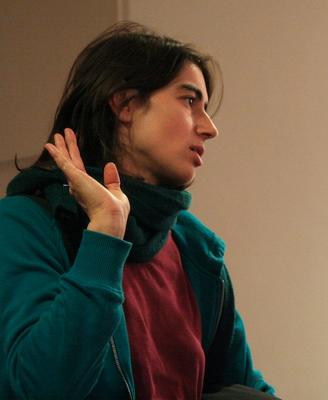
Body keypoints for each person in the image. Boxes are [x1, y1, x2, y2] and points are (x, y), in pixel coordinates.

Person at [0, 22, 278, 399]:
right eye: (189, 100)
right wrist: (104, 235)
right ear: (126, 105)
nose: (210, 128)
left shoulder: (197, 248)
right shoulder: (23, 224)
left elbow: (243, 386)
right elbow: (41, 387)